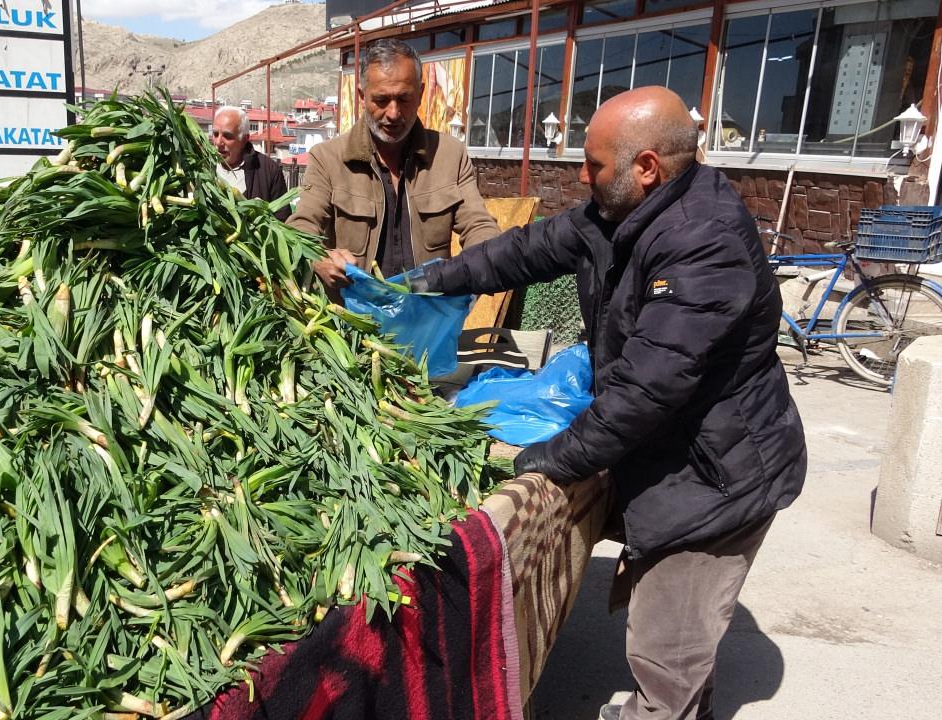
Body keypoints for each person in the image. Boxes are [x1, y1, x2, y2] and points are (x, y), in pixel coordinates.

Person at [411, 86, 807, 720]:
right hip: (676, 454)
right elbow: (522, 251)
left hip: (716, 480)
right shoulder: (616, 214)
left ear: (646, 167)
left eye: (593, 163)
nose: (580, 174)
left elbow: (645, 392)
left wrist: (542, 460)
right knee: (676, 651)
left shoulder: (706, 244)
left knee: (666, 656)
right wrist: (420, 284)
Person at [288, 39, 497, 293]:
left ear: (420, 94)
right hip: (354, 323)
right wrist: (318, 258)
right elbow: (301, 228)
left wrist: (490, 257)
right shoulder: (328, 159)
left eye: (404, 99)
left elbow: (478, 225)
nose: (394, 113)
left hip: (427, 318)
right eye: (382, 100)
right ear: (362, 96)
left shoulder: (450, 156)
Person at [210, 106, 289, 220]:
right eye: (215, 134)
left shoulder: (268, 170)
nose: (218, 142)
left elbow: (282, 220)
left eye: (227, 136)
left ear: (244, 139)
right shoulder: (203, 166)